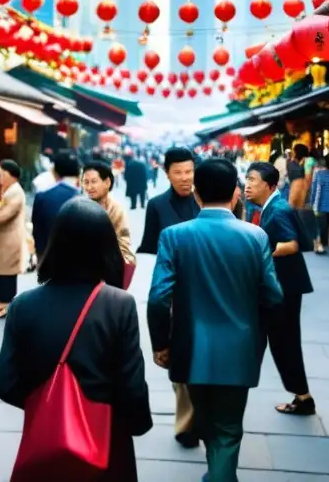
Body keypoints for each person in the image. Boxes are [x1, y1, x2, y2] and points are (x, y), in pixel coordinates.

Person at [0, 199, 152, 480]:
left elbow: (3, 380)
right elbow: (132, 385)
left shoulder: (23, 305)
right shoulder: (119, 305)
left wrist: (43, 402)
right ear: (107, 246)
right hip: (107, 445)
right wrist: (135, 423)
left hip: (46, 447)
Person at [148, 159, 283, 481]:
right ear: (235, 194)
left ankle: (216, 474)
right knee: (227, 428)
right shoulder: (256, 237)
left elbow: (157, 298)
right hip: (239, 347)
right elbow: (274, 295)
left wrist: (161, 343)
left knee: (208, 423)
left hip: (190, 346)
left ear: (196, 193)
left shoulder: (174, 236)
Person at [137, 146, 201, 447]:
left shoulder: (210, 200)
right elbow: (150, 250)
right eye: (178, 172)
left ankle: (205, 415)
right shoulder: (157, 205)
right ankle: (187, 424)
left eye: (189, 171)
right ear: (167, 174)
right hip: (173, 290)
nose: (185, 178)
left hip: (207, 288)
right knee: (180, 357)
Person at [244, 162, 315, 416]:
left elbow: (291, 245)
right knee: (282, 341)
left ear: (270, 185)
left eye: (253, 180)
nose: (248, 185)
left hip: (285, 288)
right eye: (247, 179)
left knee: (283, 342)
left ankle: (303, 396)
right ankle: (302, 395)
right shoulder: (270, 207)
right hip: (283, 287)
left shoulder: (278, 210)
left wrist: (258, 255)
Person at [82, 160, 136, 288]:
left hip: (108, 276)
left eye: (94, 181)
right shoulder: (79, 208)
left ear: (107, 182)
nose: (89, 187)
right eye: (86, 182)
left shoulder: (116, 210)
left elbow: (124, 244)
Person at [0, 160, 27, 319]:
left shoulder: (15, 192)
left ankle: (6, 304)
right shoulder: (9, 191)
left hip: (9, 240)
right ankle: (2, 303)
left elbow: (4, 216)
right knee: (1, 272)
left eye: (2, 174)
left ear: (12, 176)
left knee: (6, 273)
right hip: (4, 239)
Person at [30, 151, 81, 259]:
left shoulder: (42, 197)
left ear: (55, 172)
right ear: (78, 173)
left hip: (48, 260)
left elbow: (37, 231)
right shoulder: (88, 200)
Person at [287, 144, 309, 209]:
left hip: (299, 192)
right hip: (296, 191)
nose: (292, 152)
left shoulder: (292, 163)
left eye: (294, 151)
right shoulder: (291, 163)